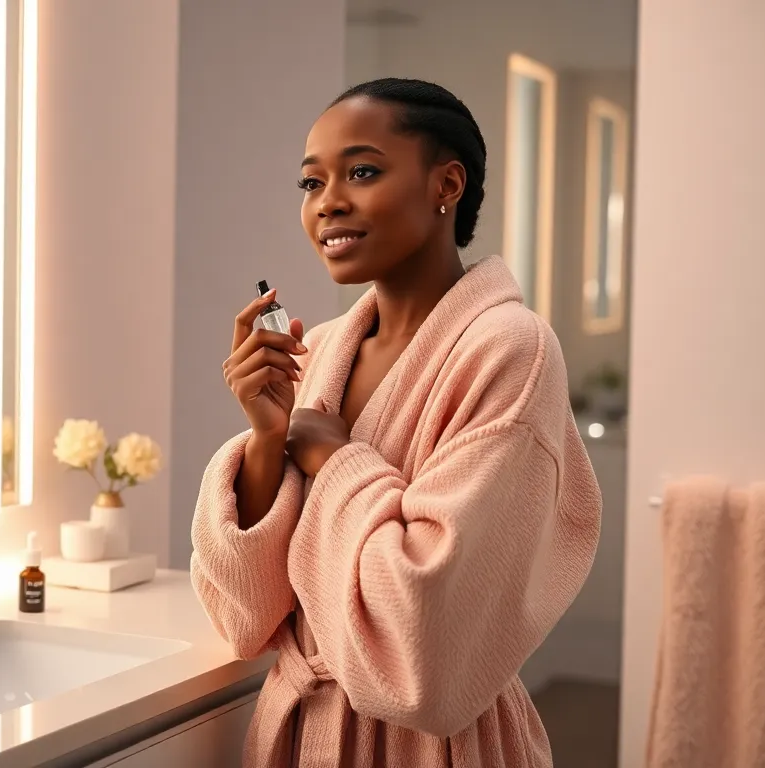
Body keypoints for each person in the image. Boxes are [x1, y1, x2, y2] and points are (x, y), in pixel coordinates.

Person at [189, 77, 602, 767]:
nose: (329, 203)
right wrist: (266, 442)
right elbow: (246, 616)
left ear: (447, 184)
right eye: (310, 183)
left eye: (362, 172)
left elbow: (430, 644)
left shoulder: (510, 351)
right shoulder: (319, 352)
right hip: (298, 736)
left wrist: (337, 461)